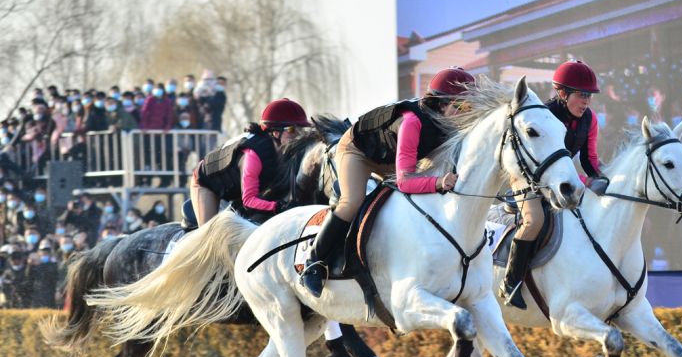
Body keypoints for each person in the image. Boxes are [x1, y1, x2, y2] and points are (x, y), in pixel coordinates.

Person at [300, 67, 474, 297]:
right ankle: (314, 263)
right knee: (352, 202)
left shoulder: (450, 123)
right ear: (441, 104)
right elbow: (405, 182)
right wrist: (439, 182)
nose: (466, 113)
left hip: (392, 157)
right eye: (461, 107)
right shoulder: (412, 122)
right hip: (358, 152)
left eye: (471, 107)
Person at [499, 60, 607, 309]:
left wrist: (603, 180)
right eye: (582, 95)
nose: (586, 102)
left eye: (589, 96)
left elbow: (589, 160)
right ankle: (511, 281)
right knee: (535, 220)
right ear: (562, 93)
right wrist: (583, 181)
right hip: (528, 178)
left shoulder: (590, 120)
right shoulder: (543, 115)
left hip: (562, 181)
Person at [190, 98, 310, 226]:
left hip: (234, 186)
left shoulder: (283, 152)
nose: (299, 135)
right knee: (210, 237)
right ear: (275, 133)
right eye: (292, 130)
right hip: (205, 183)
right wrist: (278, 207)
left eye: (301, 129)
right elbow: (249, 201)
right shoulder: (253, 156)